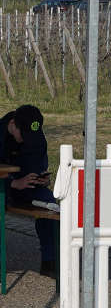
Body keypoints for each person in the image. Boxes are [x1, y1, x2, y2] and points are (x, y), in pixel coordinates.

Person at [0, 105, 55, 277]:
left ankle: (50, 261)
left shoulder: (36, 137)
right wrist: (13, 183)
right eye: (23, 135)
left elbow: (38, 164)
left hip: (27, 187)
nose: (25, 140)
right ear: (13, 124)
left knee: (50, 205)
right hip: (4, 188)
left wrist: (42, 179)